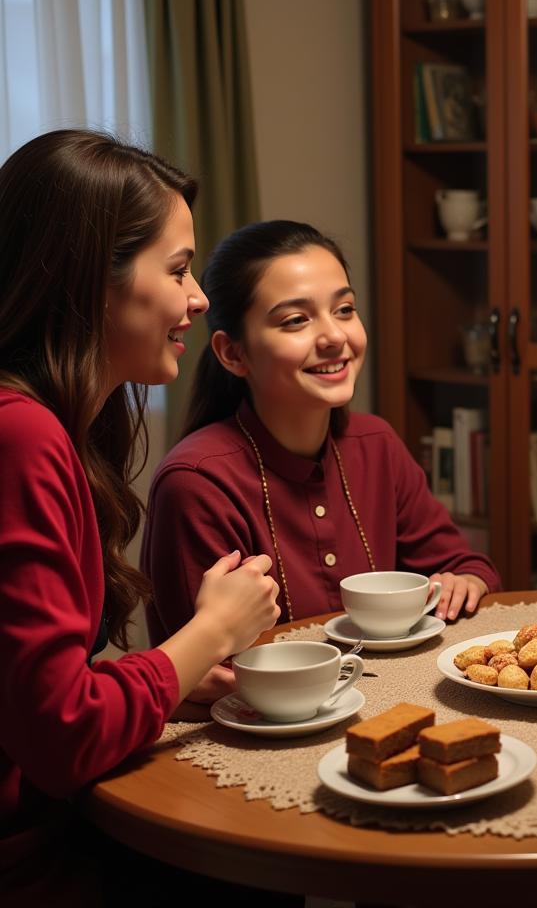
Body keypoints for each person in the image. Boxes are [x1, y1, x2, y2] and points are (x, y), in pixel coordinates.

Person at [0, 130, 281, 903]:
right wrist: (210, 634)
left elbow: (31, 694)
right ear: (93, 279)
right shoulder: (23, 438)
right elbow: (59, 740)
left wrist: (159, 678)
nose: (197, 298)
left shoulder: (48, 428)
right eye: (179, 269)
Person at [141, 219, 501, 678]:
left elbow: (462, 564)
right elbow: (204, 676)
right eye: (296, 320)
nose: (334, 337)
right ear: (233, 354)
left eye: (345, 309)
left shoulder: (376, 445)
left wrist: (462, 581)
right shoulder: (197, 481)